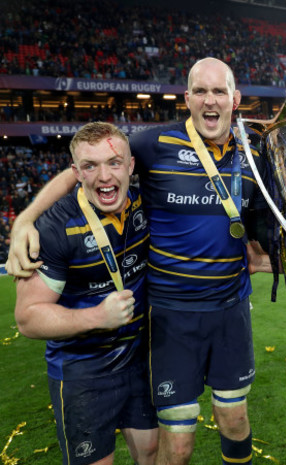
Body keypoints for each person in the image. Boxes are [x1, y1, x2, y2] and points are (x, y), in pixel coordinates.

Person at [7, 58, 270, 465]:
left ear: (235, 100)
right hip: (170, 319)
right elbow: (82, 169)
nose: (210, 100)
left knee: (234, 421)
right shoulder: (152, 144)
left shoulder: (254, 151)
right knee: (176, 446)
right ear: (187, 99)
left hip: (230, 311)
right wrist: (25, 218)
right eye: (200, 91)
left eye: (219, 91)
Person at [13, 122, 158, 465]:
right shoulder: (53, 227)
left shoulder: (145, 203)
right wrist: (97, 317)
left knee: (151, 450)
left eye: (113, 163)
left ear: (131, 167)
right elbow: (28, 317)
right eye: (90, 166)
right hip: (82, 369)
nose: (104, 176)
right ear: (76, 172)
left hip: (140, 358)